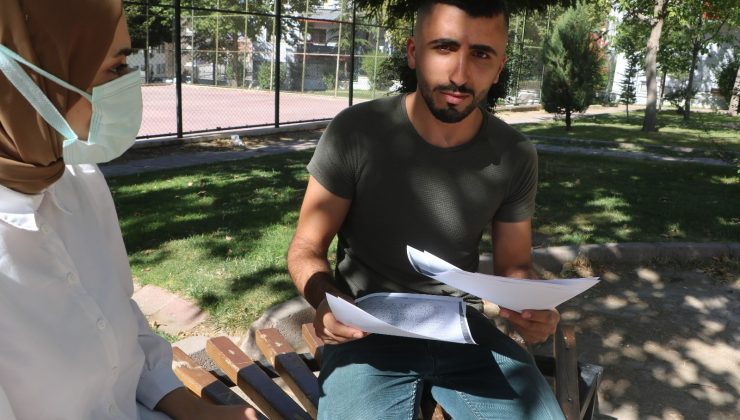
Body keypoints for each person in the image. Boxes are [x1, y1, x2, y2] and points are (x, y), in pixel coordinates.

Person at [287, 0, 565, 418]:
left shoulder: (514, 154)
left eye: (481, 54)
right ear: (414, 52)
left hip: (463, 330)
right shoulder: (356, 133)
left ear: (499, 66)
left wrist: (532, 304)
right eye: (444, 47)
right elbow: (306, 248)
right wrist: (327, 302)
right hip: (365, 328)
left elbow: (515, 266)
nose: (459, 75)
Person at [0, 1, 258, 419]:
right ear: (29, 77)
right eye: (116, 67)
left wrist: (196, 412)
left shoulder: (79, 179)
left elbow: (121, 318)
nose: (128, 84)